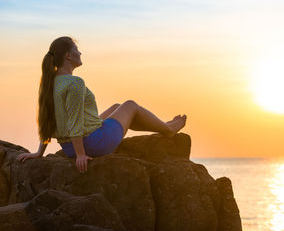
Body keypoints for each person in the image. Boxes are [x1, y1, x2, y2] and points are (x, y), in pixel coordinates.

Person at [17, 36, 187, 173]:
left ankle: (163, 125)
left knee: (116, 107)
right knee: (130, 105)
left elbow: (47, 118)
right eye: (77, 50)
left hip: (68, 146)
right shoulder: (74, 83)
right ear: (68, 56)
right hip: (93, 144)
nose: (80, 52)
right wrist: (81, 155)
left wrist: (39, 153)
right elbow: (74, 122)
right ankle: (168, 129)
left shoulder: (50, 83)